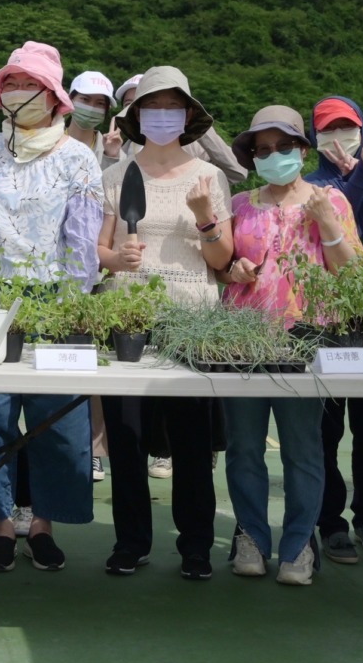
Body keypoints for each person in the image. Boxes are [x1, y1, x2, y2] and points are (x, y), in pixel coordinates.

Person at [0, 41, 102, 572]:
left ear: (53, 96)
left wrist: (76, 306)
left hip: (54, 300)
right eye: (8, 83)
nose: (15, 93)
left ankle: (43, 524)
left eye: (25, 84)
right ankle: (0, 524)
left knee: (57, 418)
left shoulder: (78, 158)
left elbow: (81, 245)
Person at [95, 66, 232, 579]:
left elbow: (221, 258)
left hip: (191, 318)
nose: (162, 116)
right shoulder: (116, 175)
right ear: (136, 116)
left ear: (189, 116)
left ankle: (196, 544)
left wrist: (205, 217)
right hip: (127, 312)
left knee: (191, 438)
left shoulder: (208, 176)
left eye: (173, 107)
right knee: (127, 436)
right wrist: (115, 260)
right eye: (152, 107)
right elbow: (98, 250)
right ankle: (131, 540)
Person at [221, 106, 363, 586]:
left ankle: (300, 543)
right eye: (263, 150)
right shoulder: (241, 204)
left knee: (304, 450)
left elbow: (351, 274)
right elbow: (223, 263)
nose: (274, 156)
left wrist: (327, 222)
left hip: (306, 343)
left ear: (303, 150)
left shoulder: (331, 201)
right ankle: (252, 538)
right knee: (243, 448)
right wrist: (233, 270)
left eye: (284, 147)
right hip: (242, 342)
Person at [303, 95, 363, 565]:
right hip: (326, 322)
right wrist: (359, 172)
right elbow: (337, 216)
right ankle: (331, 521)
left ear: (362, 129)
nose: (338, 138)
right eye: (328, 130)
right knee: (326, 430)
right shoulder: (312, 185)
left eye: (347, 127)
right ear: (315, 139)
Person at [66, 71, 115, 481]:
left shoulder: (113, 150)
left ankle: (96, 449)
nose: (93, 109)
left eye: (101, 103)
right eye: (87, 99)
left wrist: (115, 158)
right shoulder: (49, 140)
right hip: (53, 272)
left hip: (100, 272)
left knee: (92, 364)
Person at [106, 73, 248, 184]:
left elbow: (237, 172)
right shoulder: (124, 151)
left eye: (170, 105)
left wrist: (200, 126)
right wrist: (111, 156)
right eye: (129, 103)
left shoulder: (193, 148)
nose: (158, 111)